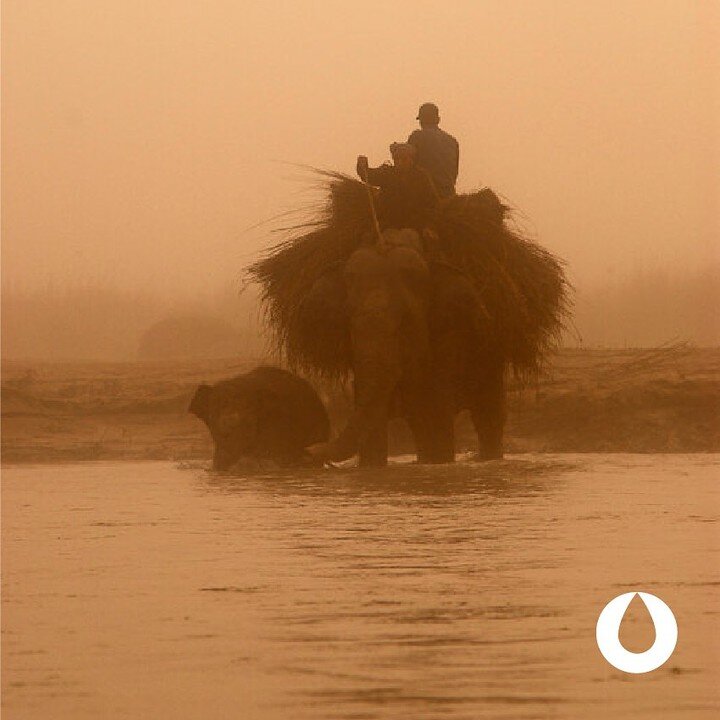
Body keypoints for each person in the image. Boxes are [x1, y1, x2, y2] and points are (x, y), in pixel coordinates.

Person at [356, 142, 437, 235]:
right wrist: (362, 165)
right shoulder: (387, 173)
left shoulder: (421, 177)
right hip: (389, 223)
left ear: (411, 159)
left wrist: (428, 225)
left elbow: (432, 203)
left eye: (403, 158)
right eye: (396, 159)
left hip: (415, 225)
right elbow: (368, 175)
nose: (399, 162)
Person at [407, 102, 459, 198]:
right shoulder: (452, 141)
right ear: (438, 120)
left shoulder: (417, 137)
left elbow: (406, 164)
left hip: (424, 194)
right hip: (448, 193)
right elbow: (454, 173)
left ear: (421, 121)